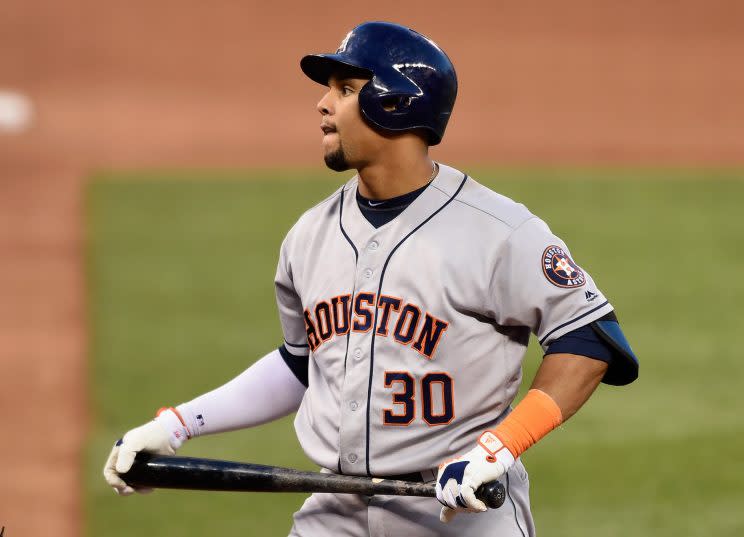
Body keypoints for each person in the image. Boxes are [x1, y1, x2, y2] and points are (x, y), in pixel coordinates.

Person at [103, 21, 638, 536]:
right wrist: (178, 425)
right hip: (335, 508)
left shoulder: (500, 233)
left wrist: (497, 449)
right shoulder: (308, 236)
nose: (323, 103)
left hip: (463, 512)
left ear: (395, 101)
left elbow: (587, 341)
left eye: (345, 88)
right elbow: (302, 364)